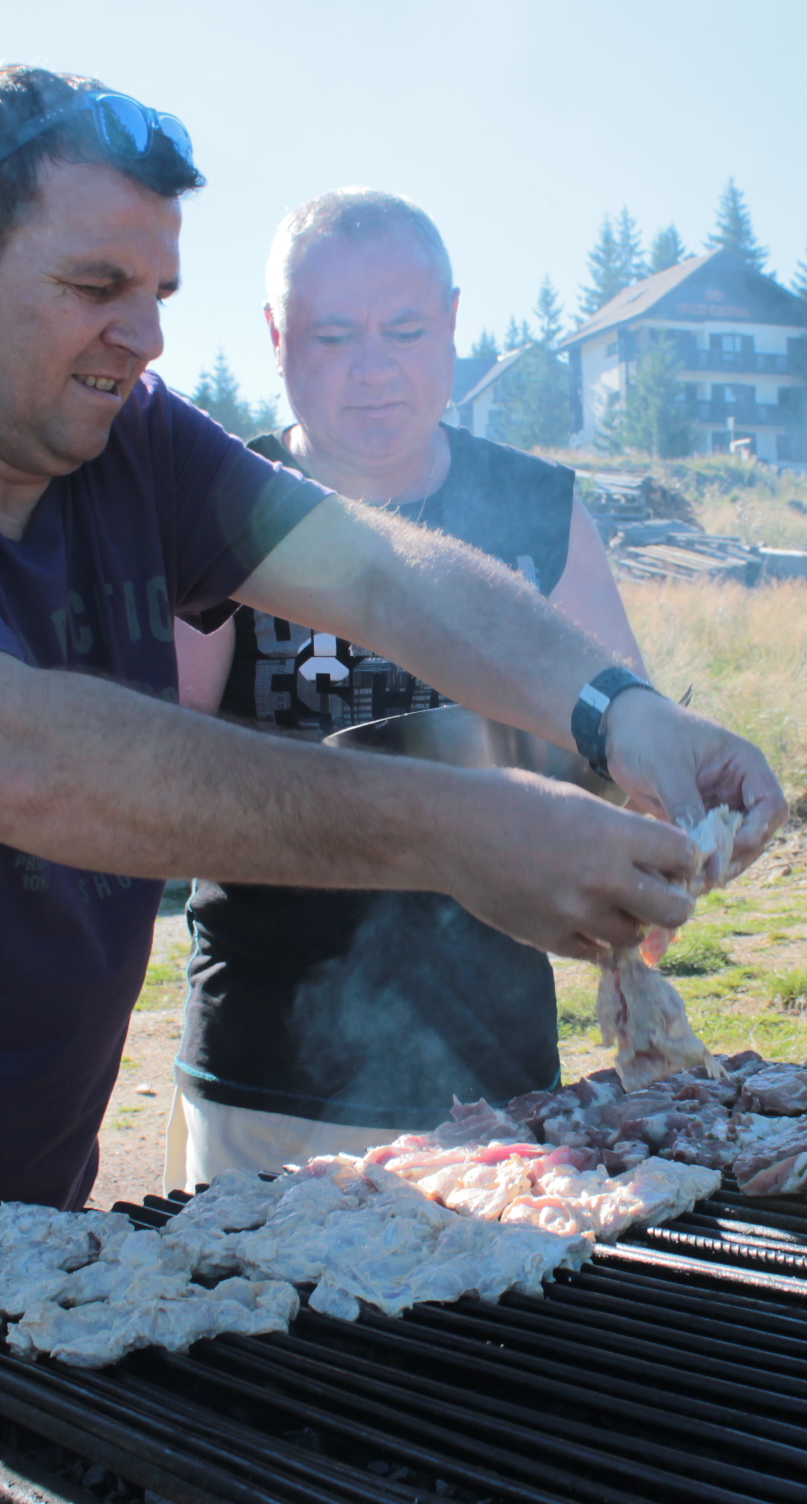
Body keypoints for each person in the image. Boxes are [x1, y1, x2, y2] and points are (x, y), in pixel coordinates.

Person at [0, 66, 783, 1504]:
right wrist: (454, 830)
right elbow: (6, 760)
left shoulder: (132, 445)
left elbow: (377, 567)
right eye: (99, 284)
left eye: (161, 292)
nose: (143, 340)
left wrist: (618, 711)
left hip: (25, 1198)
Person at [170, 189, 650, 1184]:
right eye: (334, 336)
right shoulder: (214, 513)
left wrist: (654, 841)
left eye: (404, 329)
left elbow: (623, 744)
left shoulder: (537, 510)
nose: (374, 367)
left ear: (454, 324)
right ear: (275, 336)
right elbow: (157, 775)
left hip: (497, 1061)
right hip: (266, 1069)